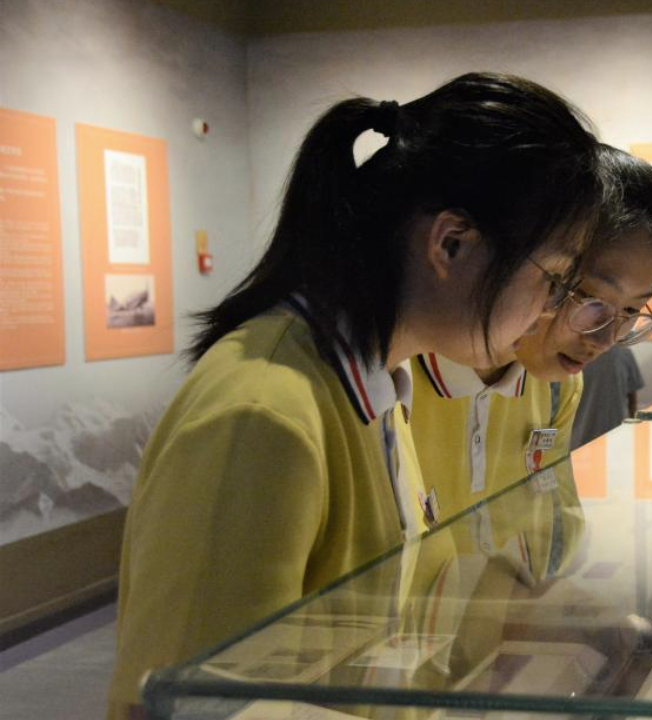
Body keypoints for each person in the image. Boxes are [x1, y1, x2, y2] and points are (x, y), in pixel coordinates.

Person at [107, 73, 603, 719]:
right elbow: (202, 701)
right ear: (451, 244)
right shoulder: (262, 413)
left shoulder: (372, 385)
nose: (551, 311)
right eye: (555, 278)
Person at [409, 144, 652, 522]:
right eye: (589, 297)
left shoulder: (558, 386)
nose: (603, 341)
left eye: (632, 310)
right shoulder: (396, 377)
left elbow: (550, 527)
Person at [570, 344, 644, 450]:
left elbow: (632, 400)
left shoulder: (624, 354)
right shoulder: (624, 353)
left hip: (598, 439)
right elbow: (632, 401)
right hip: (584, 440)